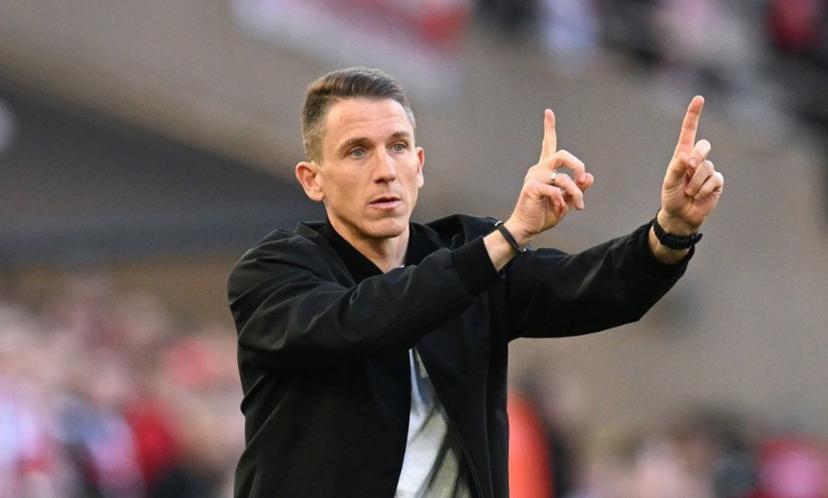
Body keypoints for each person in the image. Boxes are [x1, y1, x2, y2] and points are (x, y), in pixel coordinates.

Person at [227, 67, 724, 498]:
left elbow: (592, 288)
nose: (385, 170)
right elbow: (361, 321)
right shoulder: (273, 273)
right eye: (358, 152)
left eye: (398, 147)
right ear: (313, 179)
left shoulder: (470, 250)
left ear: (419, 167)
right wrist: (510, 236)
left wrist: (672, 229)